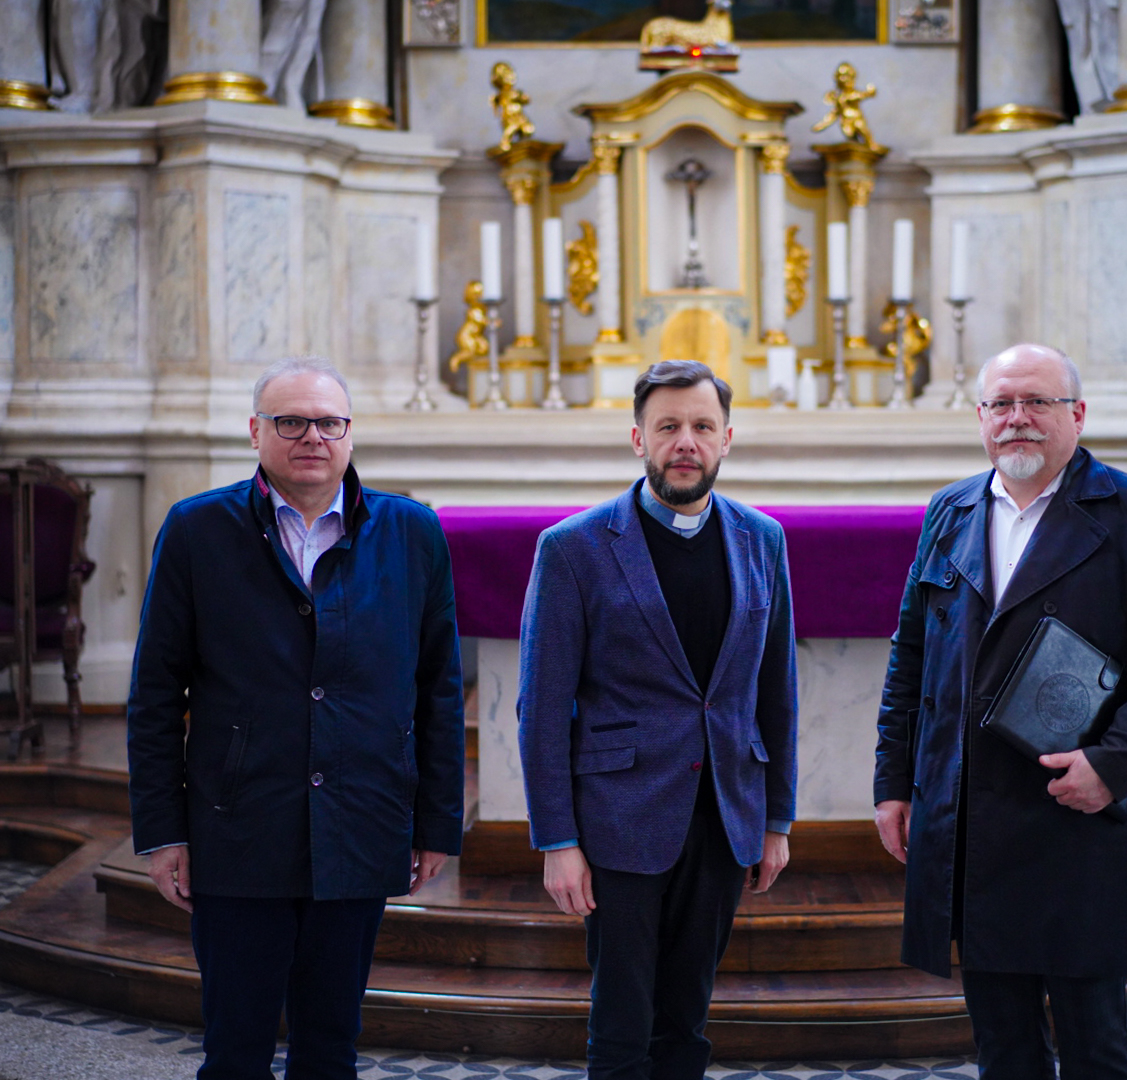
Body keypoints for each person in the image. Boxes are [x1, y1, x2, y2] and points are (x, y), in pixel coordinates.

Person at [873, 343, 1127, 1079]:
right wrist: (893, 784)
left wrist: (1113, 766)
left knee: (1096, 1049)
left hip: (1075, 813)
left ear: (1077, 415)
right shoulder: (950, 510)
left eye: (1037, 402)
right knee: (1004, 1050)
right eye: (1001, 404)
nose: (1017, 418)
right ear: (981, 417)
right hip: (972, 819)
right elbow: (912, 658)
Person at [127, 357, 465, 1080]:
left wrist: (436, 823)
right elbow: (155, 693)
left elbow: (439, 686)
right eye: (290, 422)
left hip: (360, 821)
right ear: (255, 432)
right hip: (239, 826)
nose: (313, 436)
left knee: (330, 1050)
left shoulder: (411, 532)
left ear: (349, 433)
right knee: (236, 1051)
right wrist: (163, 831)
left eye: (329, 422)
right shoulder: (197, 530)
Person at [517, 360, 798, 1080]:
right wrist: (557, 839)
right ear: (638, 438)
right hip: (620, 820)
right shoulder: (573, 548)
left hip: (725, 815)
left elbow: (776, 692)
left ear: (726, 438)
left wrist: (776, 819)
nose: (685, 442)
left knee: (687, 1022)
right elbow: (541, 707)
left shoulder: (762, 539)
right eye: (667, 426)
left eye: (702, 426)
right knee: (621, 1027)